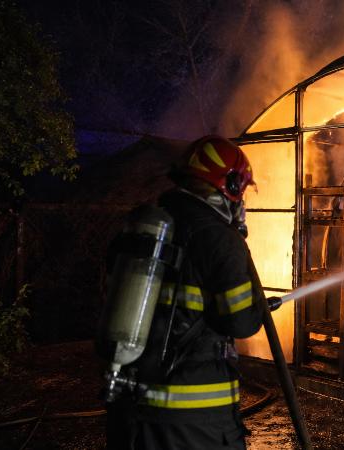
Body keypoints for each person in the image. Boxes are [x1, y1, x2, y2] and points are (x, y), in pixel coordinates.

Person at [104, 135, 274, 449]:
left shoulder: (151, 225)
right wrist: (256, 303)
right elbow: (241, 322)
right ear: (230, 185)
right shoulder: (219, 238)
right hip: (192, 421)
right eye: (242, 190)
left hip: (129, 409)